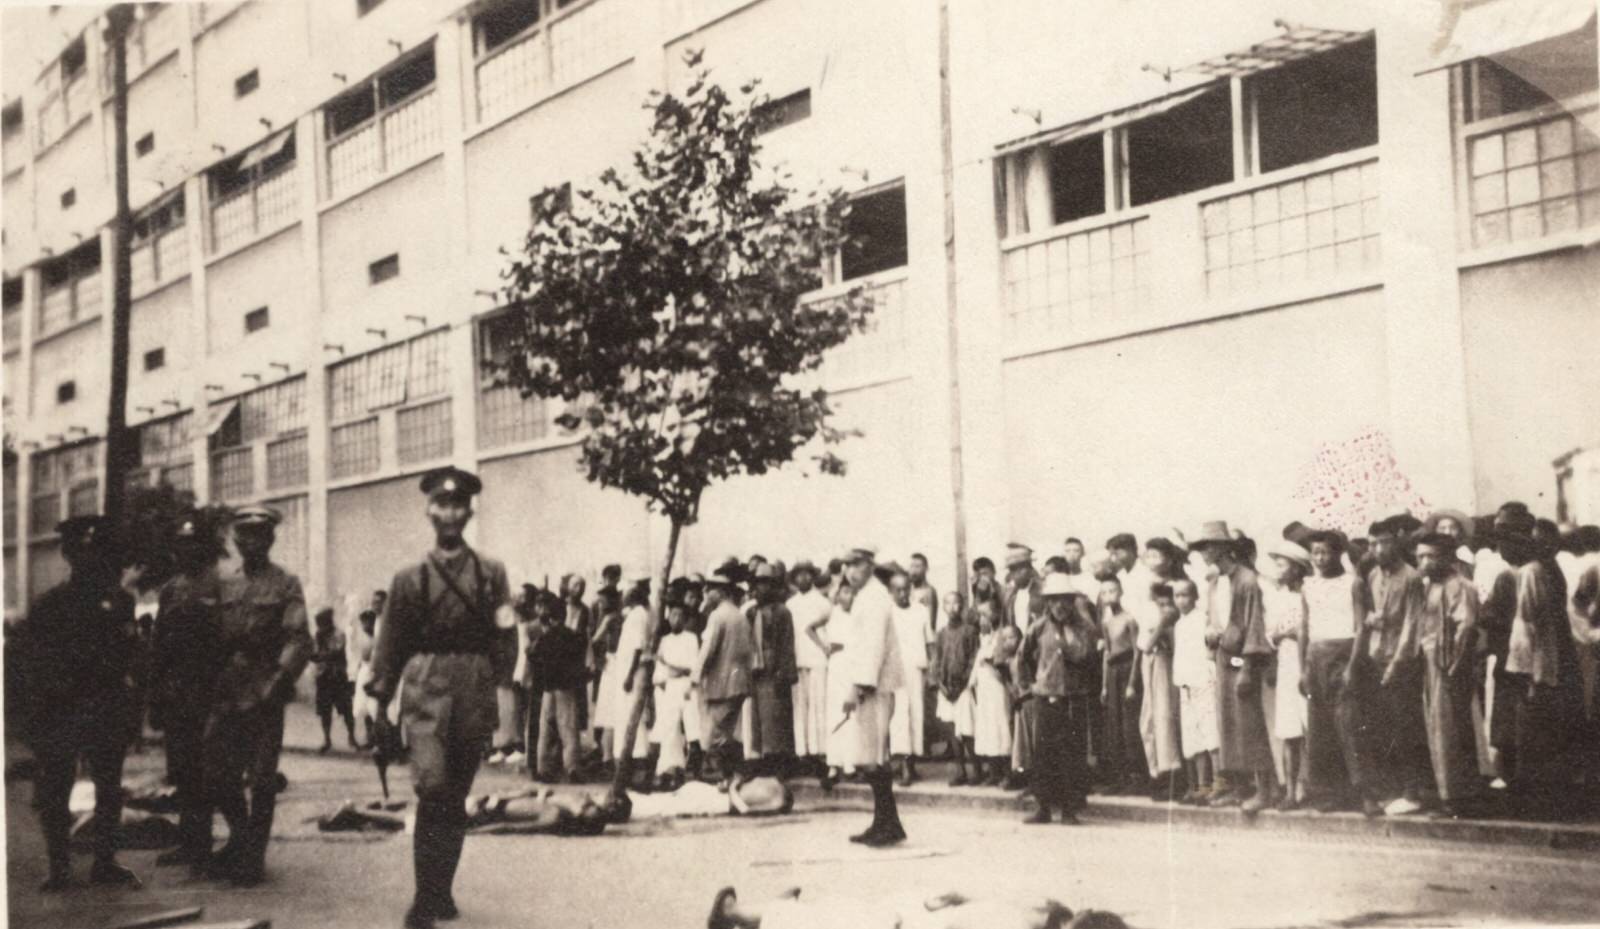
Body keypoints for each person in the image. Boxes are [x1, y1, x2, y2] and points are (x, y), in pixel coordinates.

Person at [368, 468, 513, 928]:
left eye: (457, 505)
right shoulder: (408, 578)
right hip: (425, 683)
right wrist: (380, 704)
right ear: (429, 511)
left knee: (456, 796)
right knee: (431, 787)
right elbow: (389, 643)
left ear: (468, 511)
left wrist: (501, 689)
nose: (450, 513)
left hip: (473, 684)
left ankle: (441, 889)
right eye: (441, 505)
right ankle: (424, 897)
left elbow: (506, 636)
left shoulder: (492, 573)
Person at [13, 516, 145, 890]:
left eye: (98, 553)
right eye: (82, 553)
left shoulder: (119, 602)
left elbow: (129, 656)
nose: (92, 561)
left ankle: (105, 863)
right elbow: (30, 664)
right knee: (56, 790)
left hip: (106, 706)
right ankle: (59, 868)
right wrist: (35, 720)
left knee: (109, 788)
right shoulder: (49, 605)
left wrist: (131, 706)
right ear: (69, 555)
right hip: (61, 709)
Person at [201, 505, 312, 886]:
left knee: (262, 779)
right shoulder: (223, 582)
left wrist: (279, 680)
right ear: (235, 540)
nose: (251, 542)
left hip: (266, 686)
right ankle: (242, 836)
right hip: (227, 688)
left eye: (259, 535)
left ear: (270, 539)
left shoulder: (285, 583)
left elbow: (299, 637)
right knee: (215, 772)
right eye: (243, 535)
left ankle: (253, 857)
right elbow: (209, 636)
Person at [1383, 532, 1482, 818]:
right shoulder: (1426, 587)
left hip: (1449, 665)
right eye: (1420, 556)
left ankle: (1457, 799)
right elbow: (1412, 628)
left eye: (1431, 556)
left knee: (1449, 731)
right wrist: (1399, 664)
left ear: (1448, 558)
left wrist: (1455, 666)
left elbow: (1467, 628)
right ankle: (1447, 794)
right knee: (1437, 730)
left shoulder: (1460, 587)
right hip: (1429, 664)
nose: (1424, 562)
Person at [148, 510, 224, 874]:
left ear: (202, 548)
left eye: (192, 544)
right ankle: (188, 841)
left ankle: (203, 845)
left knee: (207, 772)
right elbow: (159, 646)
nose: (185, 551)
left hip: (210, 693)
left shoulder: (219, 585)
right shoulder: (171, 590)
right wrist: (156, 699)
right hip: (177, 693)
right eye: (180, 545)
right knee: (181, 770)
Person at [1191, 520, 1276, 815]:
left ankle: (1265, 790)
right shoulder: (1215, 584)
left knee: (1251, 726)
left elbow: (1253, 626)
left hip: (1243, 662)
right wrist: (1211, 636)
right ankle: (1239, 787)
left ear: (1223, 548)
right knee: (1228, 725)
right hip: (1223, 659)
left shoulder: (1247, 581)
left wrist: (1248, 668)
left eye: (1208, 546)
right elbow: (1212, 621)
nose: (1203, 552)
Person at [1361, 515, 1431, 817]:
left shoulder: (1412, 578)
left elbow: (1412, 626)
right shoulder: (1373, 576)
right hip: (1376, 657)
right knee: (1382, 728)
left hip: (1403, 662)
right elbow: (1368, 615)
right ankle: (1394, 789)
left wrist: (1396, 664)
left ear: (1396, 542)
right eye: (1372, 543)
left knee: (1406, 727)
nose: (1377, 549)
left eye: (1383, 542)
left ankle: (1413, 791)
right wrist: (1369, 619)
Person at [1019, 572, 1099, 824]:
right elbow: (1022, 657)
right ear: (1047, 603)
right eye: (1054, 600)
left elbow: (1087, 657)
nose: (1059, 606)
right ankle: (1043, 808)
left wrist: (1067, 644)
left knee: (1071, 755)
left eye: (1064, 600)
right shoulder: (1039, 627)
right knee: (1043, 754)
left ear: (1072, 601)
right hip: (1045, 697)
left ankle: (1068, 809)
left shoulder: (1084, 627)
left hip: (1073, 698)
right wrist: (1029, 685)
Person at [841, 545, 907, 845]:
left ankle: (887, 824)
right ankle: (885, 821)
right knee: (871, 756)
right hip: (869, 686)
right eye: (846, 566)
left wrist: (859, 687)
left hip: (875, 687)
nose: (849, 572)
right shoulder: (865, 597)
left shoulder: (875, 598)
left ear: (869, 565)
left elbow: (873, 647)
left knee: (875, 757)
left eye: (855, 565)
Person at [1300, 528, 1368, 813]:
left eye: (1325, 552)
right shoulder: (1308, 586)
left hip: (1344, 655)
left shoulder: (1352, 583)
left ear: (1338, 553)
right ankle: (1331, 793)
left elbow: (1361, 626)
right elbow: (1305, 627)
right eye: (1315, 552)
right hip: (1316, 657)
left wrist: (1353, 665)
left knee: (1349, 725)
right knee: (1321, 728)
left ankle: (1365, 793)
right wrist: (1304, 669)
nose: (1319, 558)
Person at [693, 569, 756, 790]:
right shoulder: (740, 616)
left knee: (715, 735)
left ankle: (723, 776)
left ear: (720, 592)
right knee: (728, 732)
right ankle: (732, 778)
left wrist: (695, 676)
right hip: (738, 683)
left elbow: (708, 650)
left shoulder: (717, 616)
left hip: (720, 684)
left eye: (709, 590)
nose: (707, 594)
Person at [1264, 541, 1311, 811]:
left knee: (1310, 727)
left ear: (1296, 569)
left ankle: (1311, 787)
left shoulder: (1308, 594)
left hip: (1307, 663)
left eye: (1283, 565)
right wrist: (1283, 634)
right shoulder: (1277, 597)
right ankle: (1291, 791)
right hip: (1286, 664)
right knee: (1289, 729)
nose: (1278, 570)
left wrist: (1300, 633)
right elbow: (1271, 633)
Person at [526, 590, 586, 783]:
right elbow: (579, 661)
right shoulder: (572, 636)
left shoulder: (545, 637)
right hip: (566, 688)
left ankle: (543, 768)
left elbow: (532, 654)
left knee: (546, 729)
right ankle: (572, 767)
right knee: (569, 730)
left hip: (547, 688)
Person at [747, 563, 798, 777]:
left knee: (776, 718)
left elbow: (787, 644)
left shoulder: (782, 612)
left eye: (767, 584)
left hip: (775, 668)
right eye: (759, 584)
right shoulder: (751, 612)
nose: (762, 589)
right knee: (760, 719)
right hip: (757, 670)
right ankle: (764, 761)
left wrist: (783, 672)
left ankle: (781, 763)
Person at [1171, 578, 1219, 804]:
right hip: (1186, 686)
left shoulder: (1202, 620)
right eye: (1177, 596)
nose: (1181, 600)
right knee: (1193, 738)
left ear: (1195, 597)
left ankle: (1219, 781)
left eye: (1185, 595)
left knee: (1210, 733)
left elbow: (1210, 650)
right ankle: (1202, 784)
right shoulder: (1179, 624)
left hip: (1203, 683)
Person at [1097, 575, 1145, 794]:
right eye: (1104, 592)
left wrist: (1132, 683)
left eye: (1112, 591)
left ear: (1121, 592)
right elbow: (1107, 652)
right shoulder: (1106, 622)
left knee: (1129, 725)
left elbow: (1137, 653)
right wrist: (1105, 686)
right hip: (1113, 672)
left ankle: (1137, 778)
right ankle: (1119, 777)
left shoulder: (1129, 619)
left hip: (1127, 670)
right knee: (1113, 726)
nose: (1109, 596)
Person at [888, 564, 934, 785]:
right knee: (899, 717)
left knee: (917, 715)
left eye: (906, 589)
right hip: (894, 671)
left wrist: (933, 667)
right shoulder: (887, 613)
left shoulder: (921, 611)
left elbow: (930, 641)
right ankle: (904, 766)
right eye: (898, 590)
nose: (903, 594)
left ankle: (912, 764)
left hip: (916, 669)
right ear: (891, 592)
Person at [1004, 544, 1045, 790]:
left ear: (1029, 569)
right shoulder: (1011, 596)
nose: (1015, 575)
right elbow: (1005, 631)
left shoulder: (1041, 592)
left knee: (1036, 721)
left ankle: (1039, 776)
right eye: (1012, 570)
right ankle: (1022, 772)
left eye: (1019, 569)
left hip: (1037, 662)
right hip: (1016, 663)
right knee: (1018, 719)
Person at [652, 593, 700, 789]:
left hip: (687, 686)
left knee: (692, 728)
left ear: (686, 619)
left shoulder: (691, 638)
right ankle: (670, 770)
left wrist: (674, 667)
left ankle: (694, 770)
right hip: (669, 687)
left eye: (680, 616)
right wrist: (668, 674)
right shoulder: (664, 641)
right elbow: (660, 672)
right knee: (669, 729)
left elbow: (693, 667)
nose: (676, 619)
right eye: (672, 615)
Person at [788, 560, 832, 774]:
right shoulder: (791, 604)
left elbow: (828, 633)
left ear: (812, 577)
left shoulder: (823, 602)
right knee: (800, 707)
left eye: (807, 575)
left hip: (817, 659)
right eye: (799, 575)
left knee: (819, 706)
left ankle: (821, 752)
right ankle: (802, 753)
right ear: (794, 578)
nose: (803, 579)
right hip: (798, 660)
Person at [930, 590, 979, 785]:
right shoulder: (941, 633)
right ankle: (960, 771)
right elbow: (937, 660)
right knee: (952, 731)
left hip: (963, 688)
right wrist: (940, 684)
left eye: (956, 603)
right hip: (946, 688)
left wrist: (963, 683)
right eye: (948, 604)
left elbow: (973, 659)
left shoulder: (969, 631)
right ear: (943, 607)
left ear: (962, 606)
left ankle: (976, 769)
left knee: (967, 730)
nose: (953, 608)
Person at [815, 581, 857, 790]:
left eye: (852, 592)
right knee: (834, 714)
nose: (849, 596)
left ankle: (850, 765)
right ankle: (833, 766)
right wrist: (825, 647)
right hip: (837, 665)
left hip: (854, 665)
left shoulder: (859, 615)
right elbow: (810, 628)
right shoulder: (832, 613)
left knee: (851, 714)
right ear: (838, 594)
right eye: (845, 592)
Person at [970, 598, 1014, 785]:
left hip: (997, 687)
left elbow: (1003, 663)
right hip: (984, 689)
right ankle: (993, 770)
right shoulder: (984, 638)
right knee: (987, 727)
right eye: (980, 616)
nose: (982, 620)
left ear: (996, 614)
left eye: (986, 615)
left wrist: (993, 664)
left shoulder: (1002, 636)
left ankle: (1007, 771)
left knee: (1000, 725)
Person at [590, 564, 625, 768]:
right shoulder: (619, 615)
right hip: (612, 661)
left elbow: (595, 639)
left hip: (612, 662)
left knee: (608, 709)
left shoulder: (612, 617)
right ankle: (606, 753)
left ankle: (607, 755)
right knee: (609, 708)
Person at [312, 607, 359, 753]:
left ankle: (352, 737)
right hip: (323, 677)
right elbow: (313, 654)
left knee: (346, 709)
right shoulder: (318, 635)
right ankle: (327, 739)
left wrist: (319, 654)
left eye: (321, 622)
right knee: (324, 710)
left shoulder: (338, 634)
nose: (320, 626)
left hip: (337, 677)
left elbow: (334, 651)